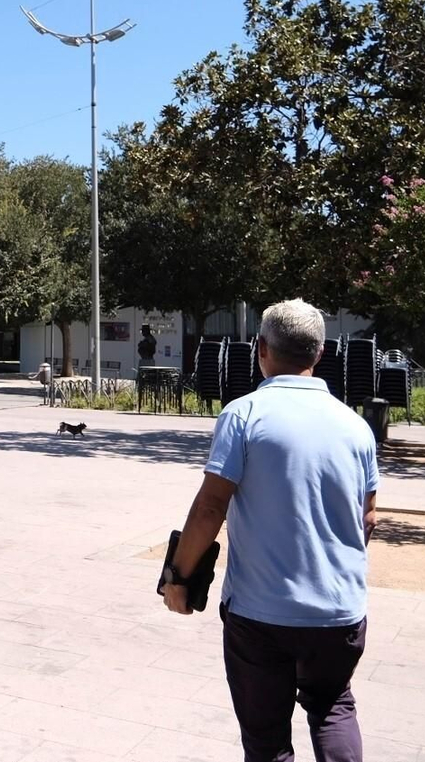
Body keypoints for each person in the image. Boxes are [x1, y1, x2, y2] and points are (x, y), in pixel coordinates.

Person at [162, 298, 378, 762]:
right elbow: (368, 518)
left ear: (261, 348)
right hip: (338, 611)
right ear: (319, 353)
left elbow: (211, 506)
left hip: (260, 615)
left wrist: (178, 578)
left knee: (267, 741)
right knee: (333, 705)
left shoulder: (244, 415)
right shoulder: (356, 427)